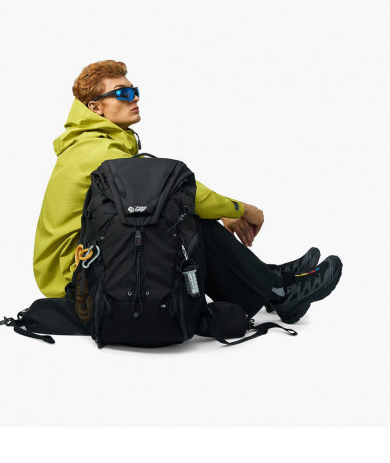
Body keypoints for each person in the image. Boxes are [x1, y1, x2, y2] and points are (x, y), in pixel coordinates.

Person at [33, 60, 342, 325]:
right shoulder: (99, 151)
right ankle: (279, 292)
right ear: (96, 108)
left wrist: (223, 210)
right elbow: (175, 192)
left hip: (87, 261)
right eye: (122, 93)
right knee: (179, 220)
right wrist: (238, 209)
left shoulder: (95, 143)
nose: (134, 98)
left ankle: (273, 280)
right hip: (76, 277)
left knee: (177, 217)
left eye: (134, 91)